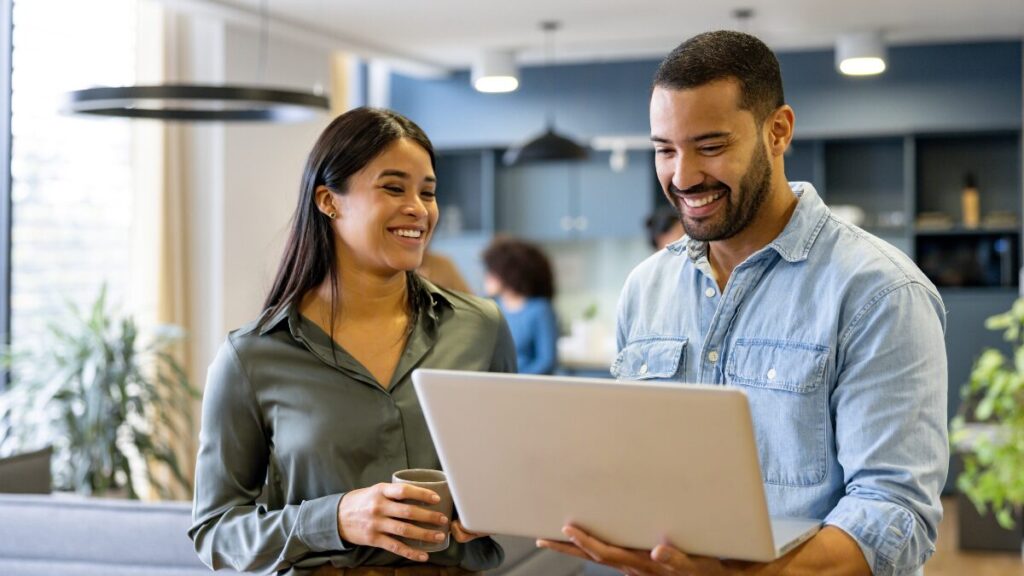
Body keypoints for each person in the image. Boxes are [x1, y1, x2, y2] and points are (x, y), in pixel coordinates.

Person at [538, 31, 947, 576]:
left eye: (710, 146)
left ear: (777, 131)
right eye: (664, 150)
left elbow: (894, 515)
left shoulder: (880, 292)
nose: (682, 177)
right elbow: (634, 467)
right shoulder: (646, 288)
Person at [188, 107, 516, 576]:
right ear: (329, 200)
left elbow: (509, 470)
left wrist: (491, 506)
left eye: (428, 192)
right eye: (393, 187)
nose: (418, 209)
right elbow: (215, 532)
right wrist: (334, 519)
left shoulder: (480, 328)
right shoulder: (251, 357)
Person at [482, 237, 559, 375]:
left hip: (527, 388)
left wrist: (515, 382)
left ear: (509, 273)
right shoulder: (489, 307)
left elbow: (547, 361)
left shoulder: (540, 310)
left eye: (492, 272)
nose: (487, 277)